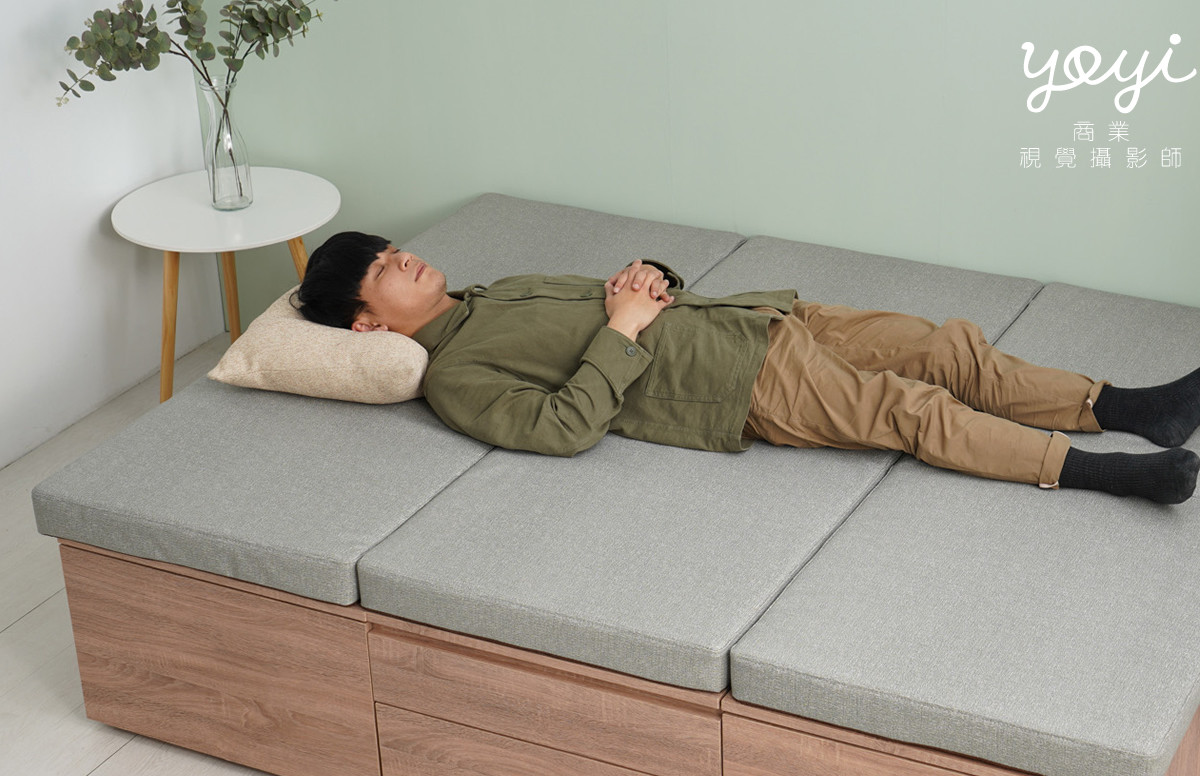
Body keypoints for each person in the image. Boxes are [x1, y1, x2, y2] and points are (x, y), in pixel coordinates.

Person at [295, 231, 1200, 504]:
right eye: (385, 270)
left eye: (394, 249)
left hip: (757, 318)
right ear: (368, 322)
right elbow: (562, 428)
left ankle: (1133, 408)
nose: (405, 260)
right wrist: (625, 327)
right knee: (912, 408)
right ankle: (1106, 474)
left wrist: (647, 278)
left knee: (946, 346)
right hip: (735, 385)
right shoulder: (453, 376)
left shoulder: (494, 288)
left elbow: (628, 296)